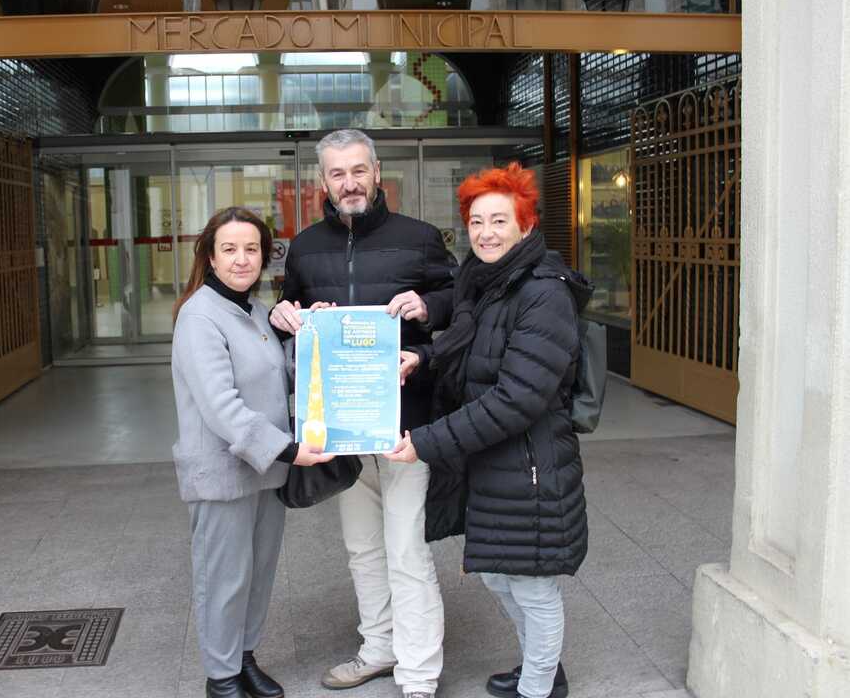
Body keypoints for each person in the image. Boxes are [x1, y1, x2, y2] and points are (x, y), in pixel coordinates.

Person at [389, 163, 590, 698]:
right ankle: (540, 668)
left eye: (499, 220)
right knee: (501, 574)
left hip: (530, 463)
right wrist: (424, 359)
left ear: (526, 224)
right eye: (476, 222)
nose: (486, 233)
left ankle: (539, 687)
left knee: (532, 586)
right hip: (495, 462)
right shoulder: (486, 282)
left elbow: (516, 398)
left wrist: (426, 442)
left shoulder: (542, 293)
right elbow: (473, 353)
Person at [269, 129, 456, 698]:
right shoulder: (305, 247)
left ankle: (418, 673)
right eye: (337, 173)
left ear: (376, 172)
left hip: (406, 425)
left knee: (407, 550)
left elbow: (461, 301)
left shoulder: (420, 238)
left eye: (358, 170)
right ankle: (379, 648)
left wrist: (429, 305)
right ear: (322, 181)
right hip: (342, 428)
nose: (348, 182)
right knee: (363, 549)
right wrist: (285, 314)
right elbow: (292, 310)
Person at [171, 207, 334, 698]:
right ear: (210, 256)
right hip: (225, 474)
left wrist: (316, 333)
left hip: (266, 471)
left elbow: (284, 377)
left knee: (258, 573)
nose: (241, 259)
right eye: (229, 249)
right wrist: (288, 449)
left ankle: (243, 657)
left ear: (265, 256)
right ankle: (221, 676)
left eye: (251, 249)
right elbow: (221, 407)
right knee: (224, 577)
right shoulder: (199, 316)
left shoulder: (258, 311)